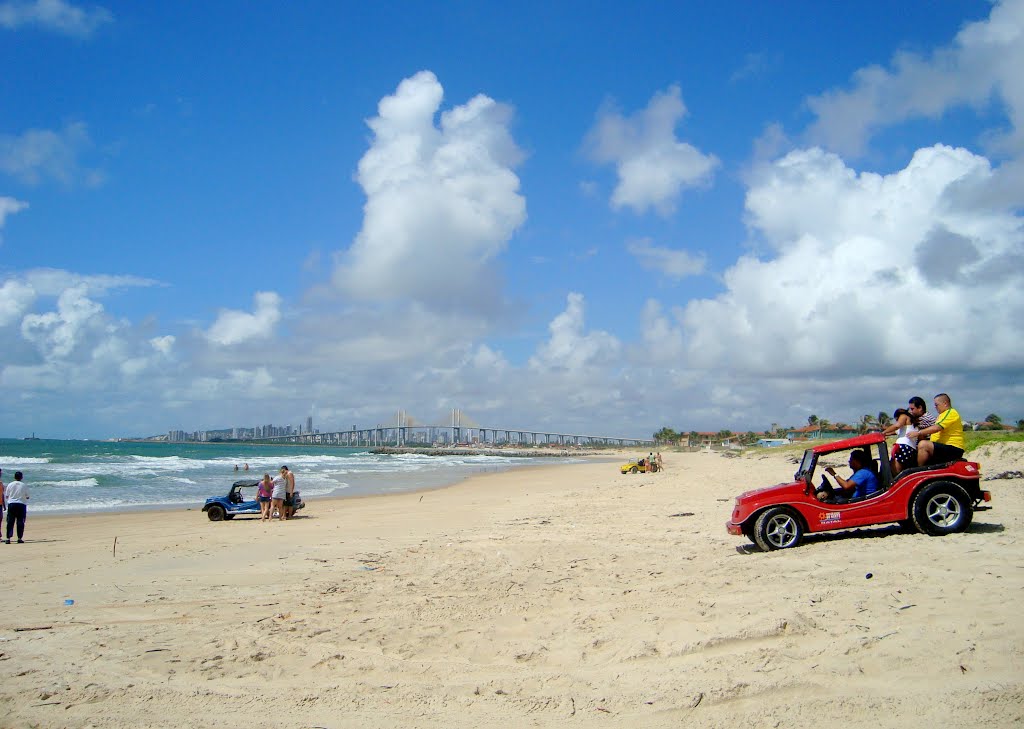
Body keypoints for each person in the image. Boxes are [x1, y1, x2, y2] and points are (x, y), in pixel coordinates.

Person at [914, 393, 965, 466]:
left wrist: (919, 433)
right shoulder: (941, 415)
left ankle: (918, 471)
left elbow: (937, 427)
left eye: (936, 405)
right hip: (943, 447)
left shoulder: (951, 412)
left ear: (945, 403)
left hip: (953, 448)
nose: (935, 407)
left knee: (923, 445)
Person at [880, 408, 917, 476]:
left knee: (895, 468)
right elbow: (895, 432)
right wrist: (887, 434)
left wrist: (883, 433)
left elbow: (897, 426)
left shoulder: (903, 416)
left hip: (903, 445)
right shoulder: (911, 424)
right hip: (911, 447)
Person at [4, 471, 28, 544]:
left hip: (12, 504)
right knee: (20, 521)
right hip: (21, 504)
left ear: (14, 477)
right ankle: (19, 538)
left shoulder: (10, 484)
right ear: (21, 477)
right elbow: (27, 496)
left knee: (10, 521)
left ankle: (8, 538)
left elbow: (7, 495)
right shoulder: (24, 485)